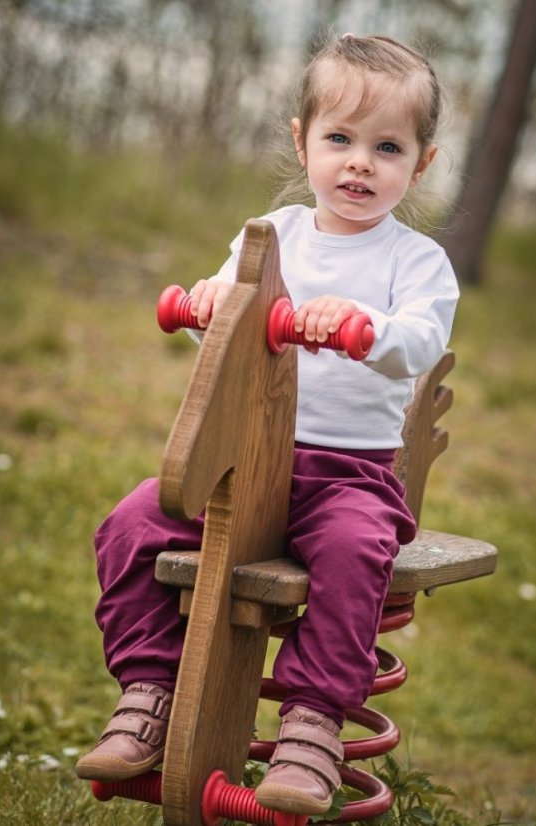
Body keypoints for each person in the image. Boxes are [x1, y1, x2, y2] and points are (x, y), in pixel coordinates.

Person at [76, 33, 459, 816]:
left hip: (348, 475)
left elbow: (421, 340)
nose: (359, 163)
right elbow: (217, 315)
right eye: (340, 139)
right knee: (129, 524)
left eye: (386, 147)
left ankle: (312, 726)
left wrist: (364, 324)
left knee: (356, 552)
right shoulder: (270, 235)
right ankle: (149, 692)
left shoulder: (413, 261)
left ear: (420, 164)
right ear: (302, 139)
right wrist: (210, 308)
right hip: (245, 464)